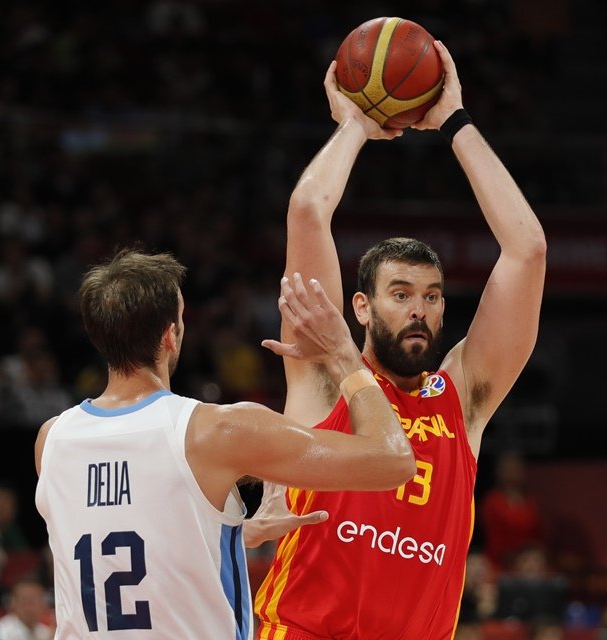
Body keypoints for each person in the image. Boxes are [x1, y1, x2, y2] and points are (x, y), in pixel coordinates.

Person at [254, 40, 546, 639]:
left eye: (432, 297)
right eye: (402, 294)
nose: (420, 311)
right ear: (360, 307)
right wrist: (355, 126)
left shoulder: (463, 396)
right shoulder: (321, 368)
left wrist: (454, 121)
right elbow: (309, 209)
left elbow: (528, 250)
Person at [34, 249, 414, 638]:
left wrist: (232, 534)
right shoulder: (215, 431)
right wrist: (345, 355)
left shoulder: (53, 440)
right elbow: (392, 460)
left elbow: (121, 538)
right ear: (170, 335)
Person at [481, 451, 545, 571]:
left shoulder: (530, 502)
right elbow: (493, 536)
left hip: (529, 563)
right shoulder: (492, 501)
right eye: (509, 468)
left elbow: (538, 535)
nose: (513, 472)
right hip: (500, 563)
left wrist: (531, 558)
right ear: (499, 471)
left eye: (517, 468)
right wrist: (512, 558)